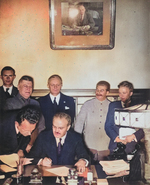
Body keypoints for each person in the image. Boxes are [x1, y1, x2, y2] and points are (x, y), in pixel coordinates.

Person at [4, 75, 45, 152]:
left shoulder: (35, 103)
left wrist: (32, 143)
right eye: (25, 86)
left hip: (33, 143)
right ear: (18, 87)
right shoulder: (10, 103)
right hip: (15, 146)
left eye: (30, 86)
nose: (28, 89)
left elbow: (41, 125)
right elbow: (9, 129)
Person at [74, 81, 111, 161]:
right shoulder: (87, 104)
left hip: (105, 147)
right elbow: (79, 122)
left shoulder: (111, 106)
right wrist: (77, 139)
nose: (98, 92)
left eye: (102, 90)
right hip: (89, 146)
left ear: (107, 93)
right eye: (97, 90)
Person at [105, 81, 144, 154]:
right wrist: (117, 139)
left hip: (134, 147)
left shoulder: (140, 106)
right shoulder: (113, 105)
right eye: (120, 93)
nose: (121, 95)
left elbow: (146, 128)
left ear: (131, 93)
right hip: (116, 146)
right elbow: (107, 126)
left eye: (124, 93)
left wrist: (134, 136)